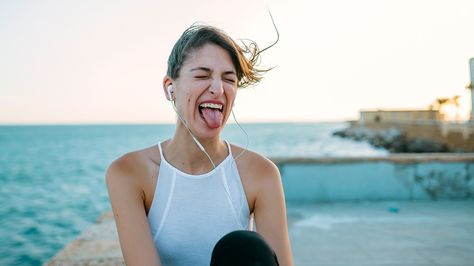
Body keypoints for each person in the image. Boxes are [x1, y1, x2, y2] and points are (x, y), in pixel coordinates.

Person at [105, 23, 293, 266]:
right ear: (170, 87)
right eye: (202, 75)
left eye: (229, 79)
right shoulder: (129, 173)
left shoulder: (261, 174)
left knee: (245, 247)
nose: (218, 89)